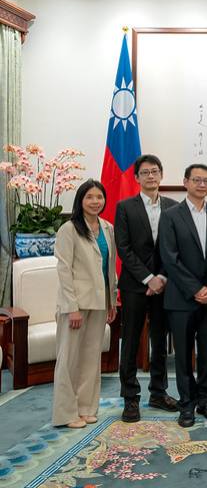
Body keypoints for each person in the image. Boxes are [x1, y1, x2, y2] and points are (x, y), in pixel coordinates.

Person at [159, 163, 207, 428]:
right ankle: (186, 404)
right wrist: (195, 288)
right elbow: (169, 257)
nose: (201, 184)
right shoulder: (171, 215)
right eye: (196, 179)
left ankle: (205, 400)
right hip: (181, 298)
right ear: (185, 182)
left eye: (206, 180)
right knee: (184, 354)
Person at [115, 154, 179, 423]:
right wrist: (147, 278)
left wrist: (161, 277)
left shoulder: (174, 207)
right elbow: (124, 249)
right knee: (130, 341)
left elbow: (174, 248)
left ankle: (158, 392)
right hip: (134, 286)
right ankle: (130, 398)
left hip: (164, 285)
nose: (150, 176)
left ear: (161, 175)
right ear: (137, 178)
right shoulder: (125, 207)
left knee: (160, 340)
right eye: (145, 172)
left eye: (155, 171)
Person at [52, 179, 117, 428]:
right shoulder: (68, 229)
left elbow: (109, 267)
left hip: (100, 303)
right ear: (81, 200)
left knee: (91, 358)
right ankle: (66, 413)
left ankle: (86, 407)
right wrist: (72, 307)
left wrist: (112, 300)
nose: (95, 202)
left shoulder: (108, 228)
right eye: (89, 197)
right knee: (69, 359)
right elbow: (64, 270)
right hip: (75, 305)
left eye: (99, 197)